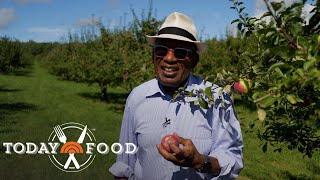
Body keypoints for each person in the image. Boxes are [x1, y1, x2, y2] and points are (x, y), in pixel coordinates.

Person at [109, 12, 243, 180]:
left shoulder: (217, 99)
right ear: (153, 55)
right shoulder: (137, 97)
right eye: (161, 50)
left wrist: (200, 161)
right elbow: (125, 160)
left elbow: (233, 157)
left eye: (180, 52)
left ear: (193, 59)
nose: (169, 58)